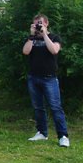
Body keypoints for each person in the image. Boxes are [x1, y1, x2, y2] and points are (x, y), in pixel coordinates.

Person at [23, 14, 70, 147]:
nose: (38, 26)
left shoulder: (54, 37)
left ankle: (63, 136)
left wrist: (44, 35)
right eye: (36, 24)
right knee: (38, 107)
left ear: (46, 23)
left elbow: (54, 50)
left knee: (56, 107)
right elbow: (26, 52)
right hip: (33, 77)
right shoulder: (31, 38)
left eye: (40, 23)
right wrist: (32, 35)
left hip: (49, 78)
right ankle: (42, 133)